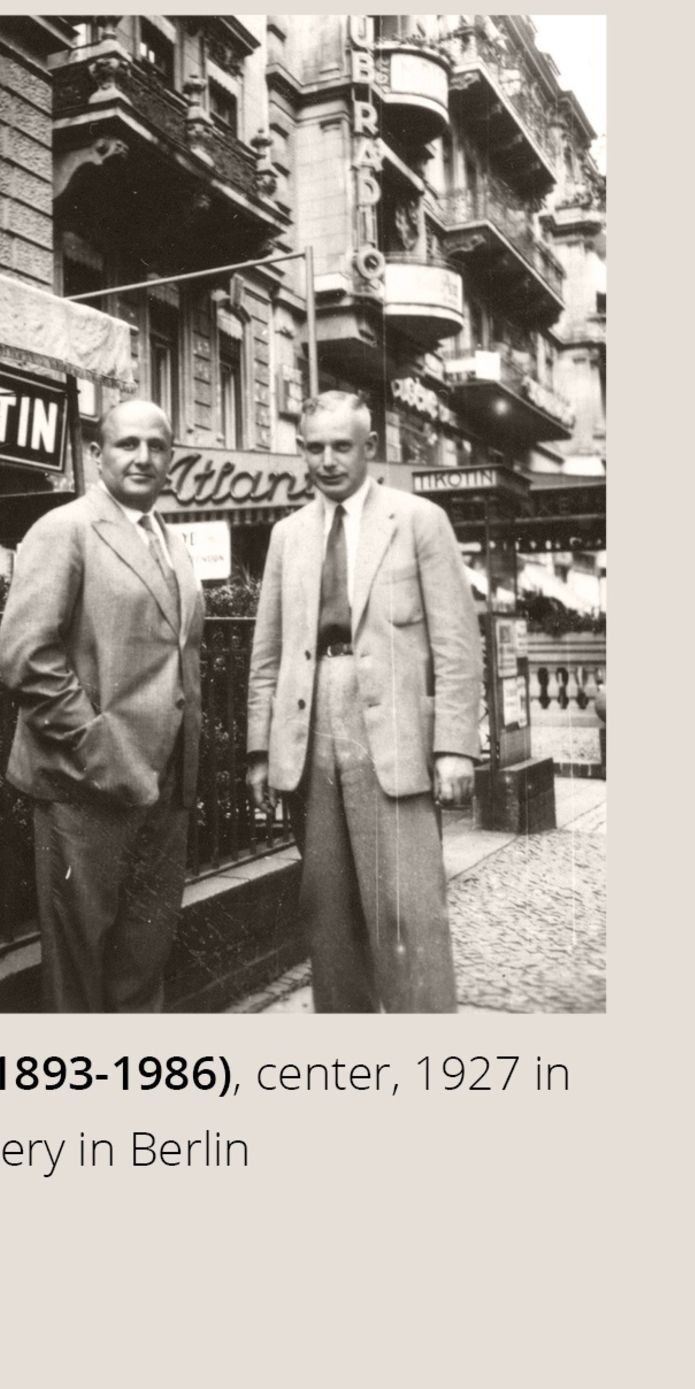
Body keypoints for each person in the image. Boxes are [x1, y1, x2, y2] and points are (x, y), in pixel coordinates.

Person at [246, 391, 481, 1012]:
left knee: (408, 911)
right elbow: (267, 652)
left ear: (369, 449)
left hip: (394, 730)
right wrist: (259, 751)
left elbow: (458, 641)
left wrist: (455, 746)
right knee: (327, 910)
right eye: (315, 447)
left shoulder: (418, 519)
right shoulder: (286, 535)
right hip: (310, 726)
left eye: (341, 446)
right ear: (301, 451)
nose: (327, 460)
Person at [0, 400, 204, 1012]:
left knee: (144, 962)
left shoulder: (170, 541)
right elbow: (26, 656)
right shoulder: (64, 529)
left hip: (165, 786)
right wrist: (99, 748)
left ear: (171, 457)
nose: (143, 458)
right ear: (95, 455)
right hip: (85, 783)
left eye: (156, 447)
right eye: (126, 444)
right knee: (80, 973)